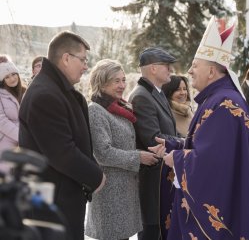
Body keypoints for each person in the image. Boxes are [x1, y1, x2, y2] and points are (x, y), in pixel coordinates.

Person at [149, 16, 249, 239]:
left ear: (212, 72)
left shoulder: (224, 104)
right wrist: (173, 144)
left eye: (195, 66)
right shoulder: (218, 99)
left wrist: (176, 158)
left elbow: (213, 163)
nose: (189, 71)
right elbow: (209, 145)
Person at [18, 30, 105, 240]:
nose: (86, 66)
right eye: (83, 60)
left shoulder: (57, 90)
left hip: (61, 198)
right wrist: (96, 176)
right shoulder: (45, 95)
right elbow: (62, 152)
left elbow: (78, 140)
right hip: (52, 204)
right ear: (66, 58)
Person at [85, 59, 159, 240]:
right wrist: (138, 157)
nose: (122, 85)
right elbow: (103, 153)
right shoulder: (96, 110)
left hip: (124, 192)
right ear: (101, 82)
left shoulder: (119, 108)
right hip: (110, 193)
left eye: (123, 80)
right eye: (115, 81)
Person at [128, 47, 180, 240]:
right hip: (152, 182)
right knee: (152, 233)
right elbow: (154, 139)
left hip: (162, 178)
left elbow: (169, 133)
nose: (170, 70)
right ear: (153, 69)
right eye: (166, 66)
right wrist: (184, 142)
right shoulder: (142, 96)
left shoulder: (155, 93)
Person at [0, 55, 26, 154]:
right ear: (3, 80)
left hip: (27, 138)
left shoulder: (26, 91)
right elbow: (2, 121)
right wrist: (21, 136)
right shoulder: (1, 95)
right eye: (7, 77)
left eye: (13, 74)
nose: (12, 79)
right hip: (6, 139)